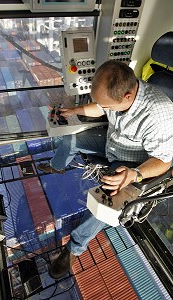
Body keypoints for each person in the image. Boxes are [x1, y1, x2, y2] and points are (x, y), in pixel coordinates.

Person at [38, 60, 173, 279]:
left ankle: (75, 248)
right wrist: (75, 110)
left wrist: (134, 174)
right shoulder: (122, 89)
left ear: (128, 97)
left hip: (133, 163)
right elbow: (100, 107)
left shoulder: (159, 115)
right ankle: (57, 166)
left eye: (109, 107)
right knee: (70, 140)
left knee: (106, 199)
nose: (104, 109)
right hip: (113, 143)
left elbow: (164, 162)